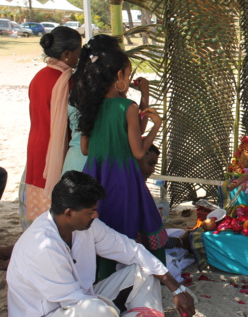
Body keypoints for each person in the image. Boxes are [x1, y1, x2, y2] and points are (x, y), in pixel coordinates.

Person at [7, 171, 195, 317]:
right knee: (97, 312)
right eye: (90, 212)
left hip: (83, 300)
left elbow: (130, 250)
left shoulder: (87, 226)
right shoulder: (44, 247)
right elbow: (76, 303)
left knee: (143, 270)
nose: (95, 215)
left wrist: (176, 287)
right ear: (68, 213)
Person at [72, 43, 168, 280]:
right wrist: (156, 125)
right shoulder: (127, 106)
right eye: (127, 73)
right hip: (122, 178)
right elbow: (137, 151)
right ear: (118, 76)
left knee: (102, 224)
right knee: (131, 224)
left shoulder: (90, 106)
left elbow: (85, 149)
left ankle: (100, 279)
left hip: (94, 175)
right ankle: (144, 279)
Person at [63, 35, 152, 175]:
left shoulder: (79, 88)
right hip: (101, 167)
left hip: (75, 161)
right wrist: (145, 97)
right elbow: (137, 134)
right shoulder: (118, 103)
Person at [23, 26, 82, 228]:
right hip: (54, 150)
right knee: (55, 212)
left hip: (35, 147)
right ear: (67, 54)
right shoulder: (67, 81)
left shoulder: (39, 77)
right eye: (78, 52)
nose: (79, 57)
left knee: (39, 213)